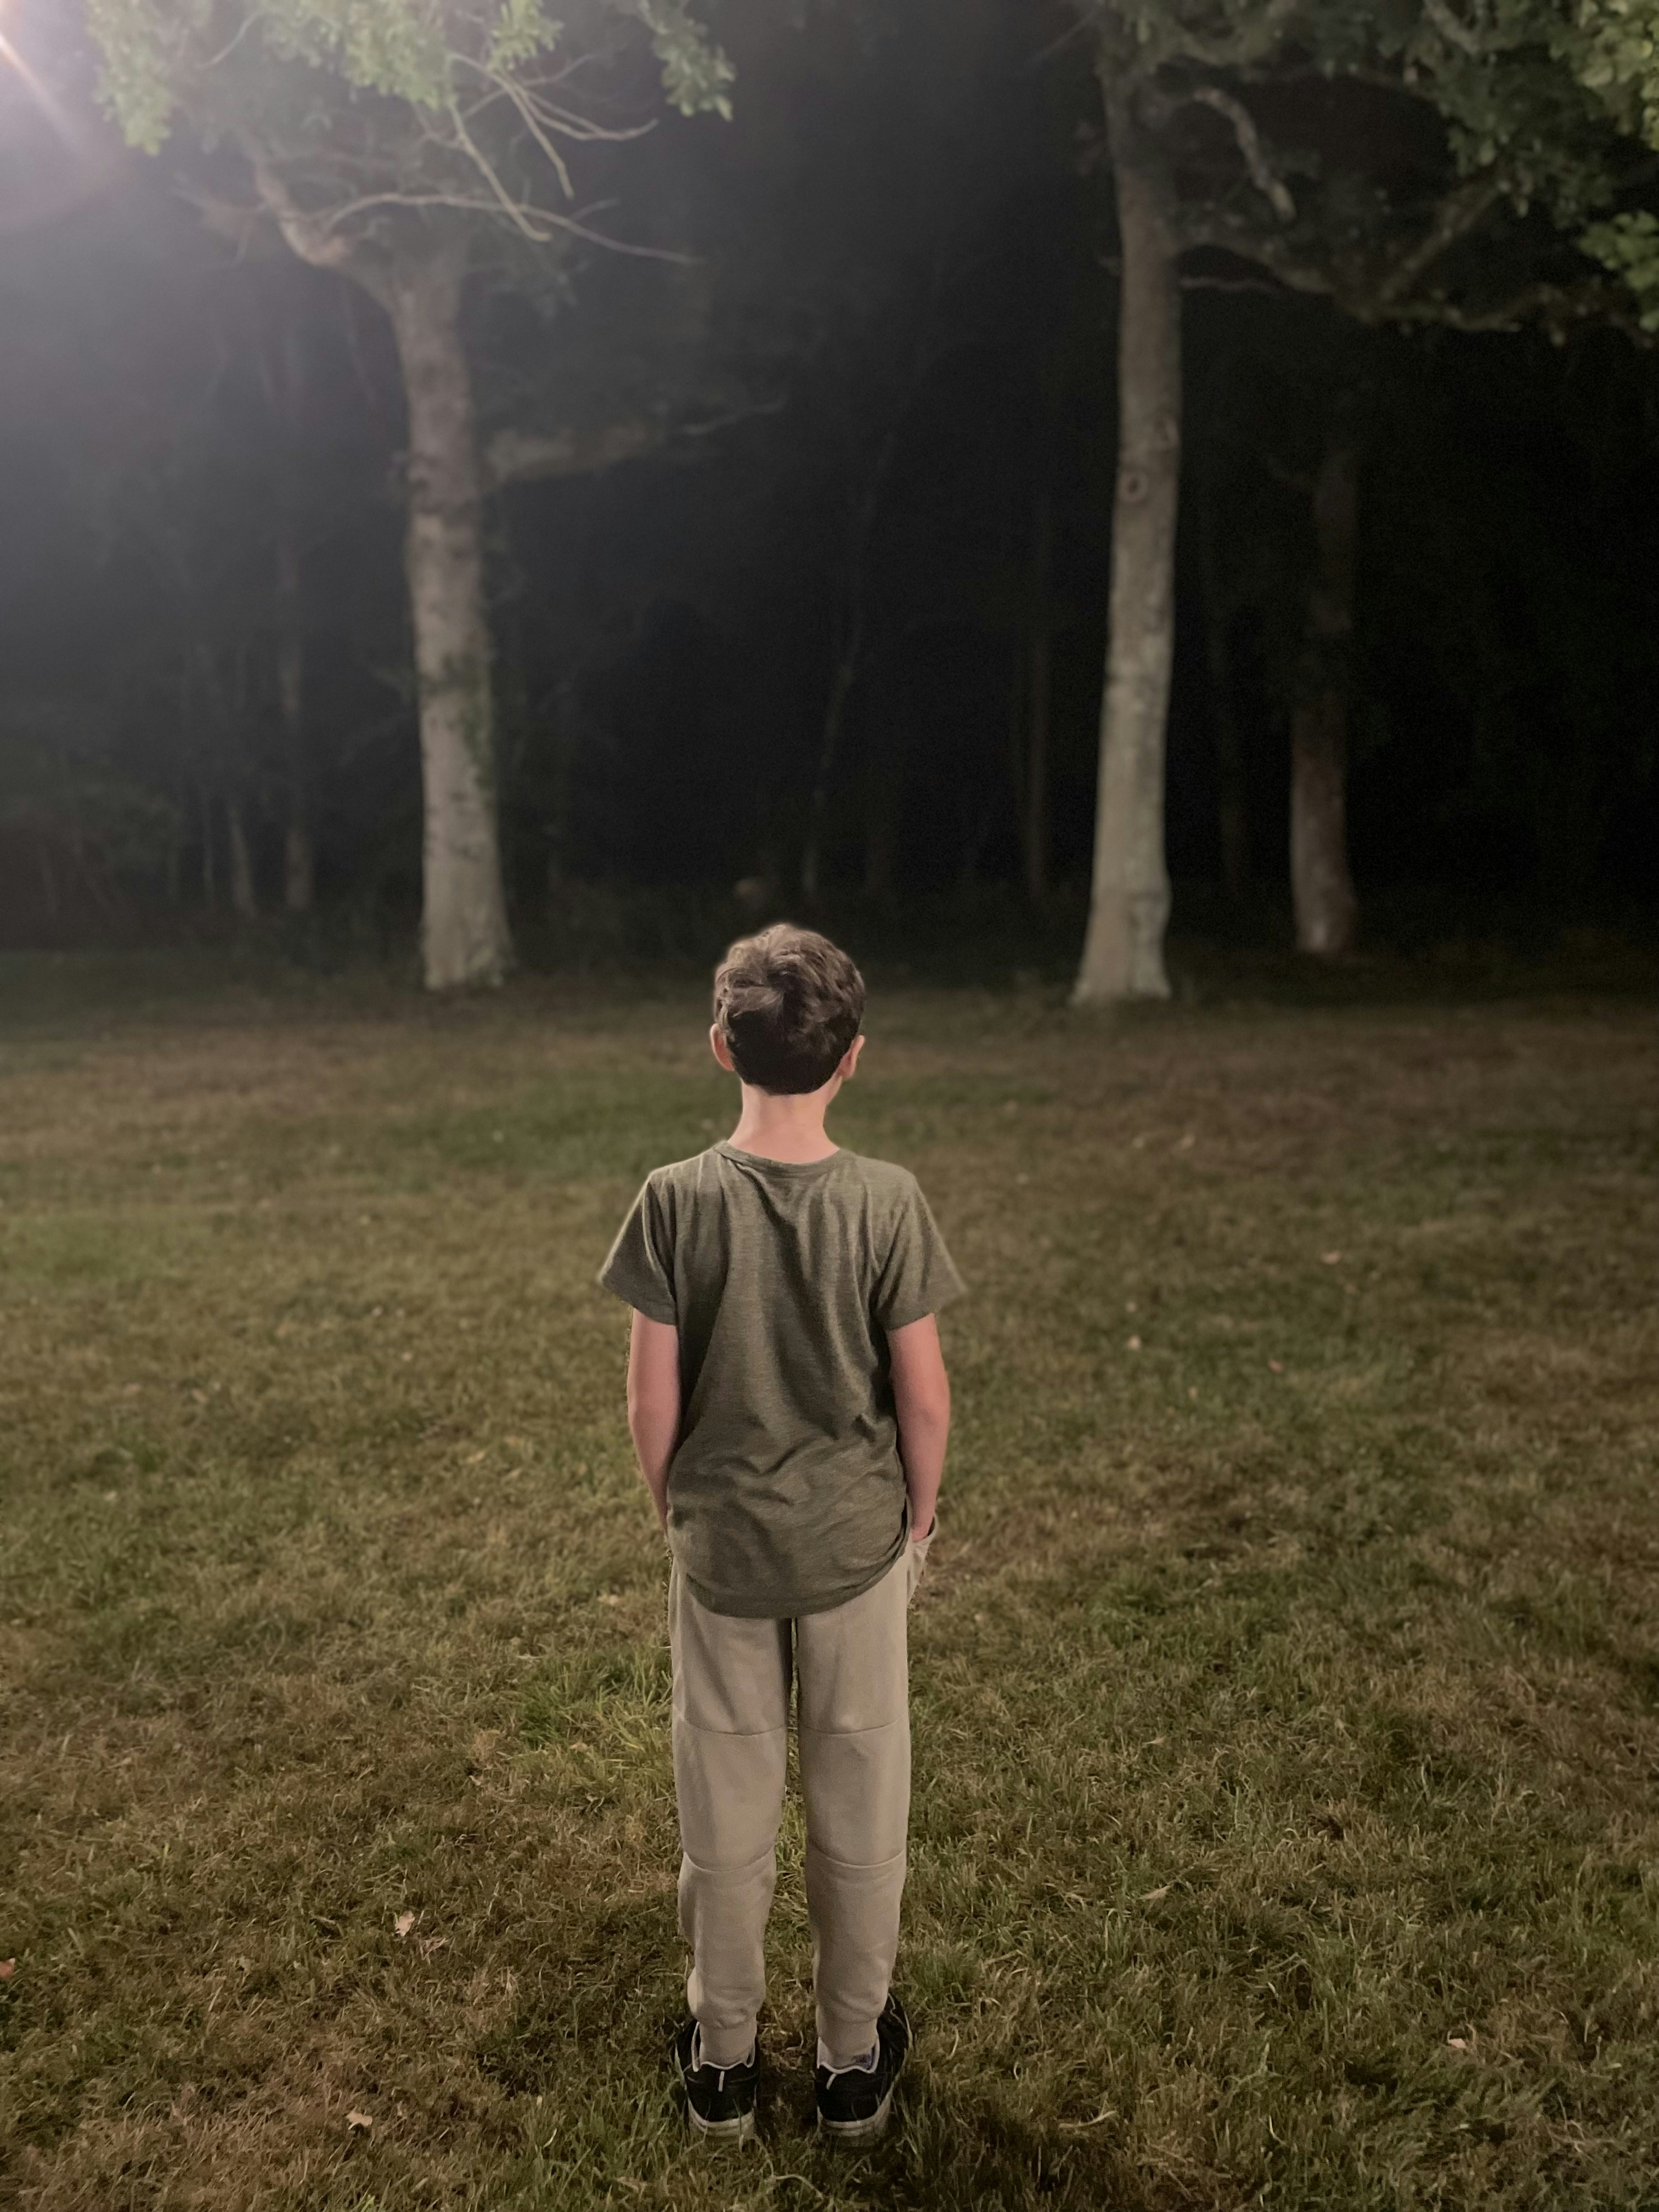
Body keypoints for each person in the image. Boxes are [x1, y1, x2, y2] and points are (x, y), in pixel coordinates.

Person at [598, 923, 963, 2146]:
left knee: (727, 1810)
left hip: (725, 1558)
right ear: (853, 1058)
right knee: (860, 1805)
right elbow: (922, 1396)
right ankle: (853, 2061)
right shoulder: (887, 1202)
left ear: (721, 1048)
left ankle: (726, 2058)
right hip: (855, 1553)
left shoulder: (675, 1199)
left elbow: (652, 1399)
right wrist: (916, 1519)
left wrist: (675, 1509)